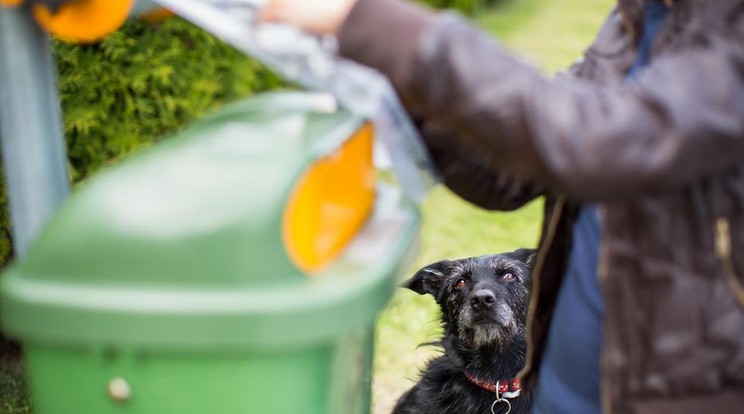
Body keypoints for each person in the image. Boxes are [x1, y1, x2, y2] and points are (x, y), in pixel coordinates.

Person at [259, 0, 744, 413]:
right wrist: (403, 101)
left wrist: (379, 26)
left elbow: (603, 143)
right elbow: (514, 172)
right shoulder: (636, 15)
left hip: (676, 388)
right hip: (564, 376)